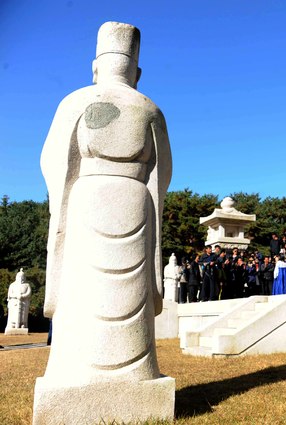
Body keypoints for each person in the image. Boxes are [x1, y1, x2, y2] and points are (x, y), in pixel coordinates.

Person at [39, 21, 171, 386]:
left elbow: (53, 161)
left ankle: (75, 369)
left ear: (95, 66)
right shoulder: (150, 109)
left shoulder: (76, 101)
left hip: (87, 198)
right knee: (130, 295)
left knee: (82, 290)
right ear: (137, 72)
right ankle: (137, 369)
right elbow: (163, 171)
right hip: (136, 200)